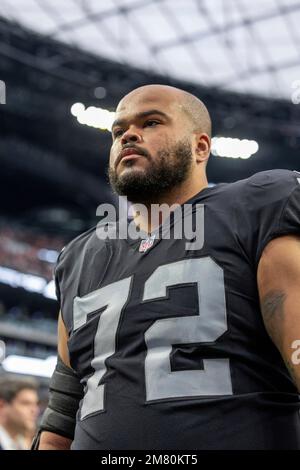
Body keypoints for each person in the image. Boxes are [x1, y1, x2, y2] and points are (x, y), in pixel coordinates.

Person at [35, 84, 300, 450]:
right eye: (118, 130)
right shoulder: (78, 257)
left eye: (152, 122)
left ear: (200, 147)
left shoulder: (256, 207)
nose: (128, 134)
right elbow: (62, 416)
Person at [0, 376, 39, 450]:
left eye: (36, 404)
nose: (35, 410)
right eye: (26, 403)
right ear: (2, 406)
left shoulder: (24, 445)